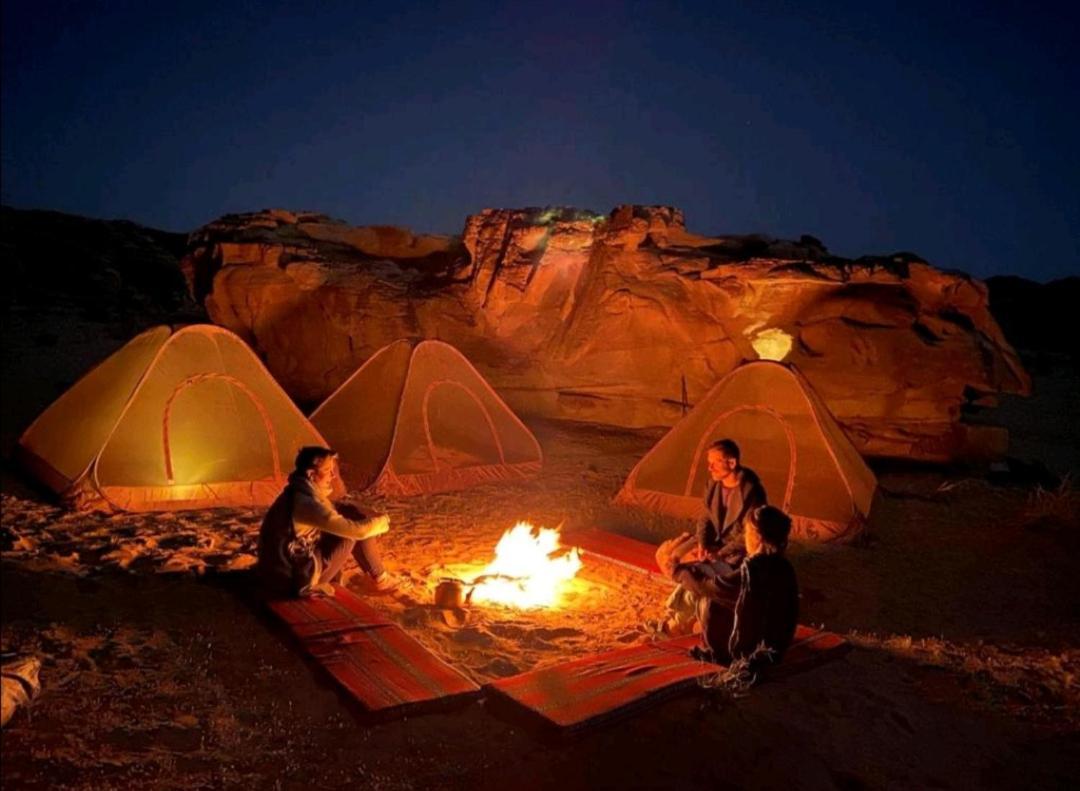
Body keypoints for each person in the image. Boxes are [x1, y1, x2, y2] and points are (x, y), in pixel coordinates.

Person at [659, 505, 799, 672]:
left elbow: (705, 587)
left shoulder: (750, 574)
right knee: (711, 574)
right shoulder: (784, 567)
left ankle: (691, 638)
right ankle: (674, 623)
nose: (745, 537)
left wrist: (676, 572)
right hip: (775, 651)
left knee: (708, 595)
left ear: (757, 537)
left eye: (747, 533)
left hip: (748, 657)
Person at [258, 446, 400, 597]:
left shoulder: (298, 492)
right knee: (353, 530)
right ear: (311, 475)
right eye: (327, 470)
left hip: (284, 567)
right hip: (292, 578)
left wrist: (367, 515)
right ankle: (380, 579)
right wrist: (382, 520)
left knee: (350, 514)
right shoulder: (305, 503)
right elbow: (358, 531)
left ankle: (378, 576)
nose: (333, 475)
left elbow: (332, 510)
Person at [696, 438, 767, 568]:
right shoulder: (711, 486)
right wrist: (702, 544)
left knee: (716, 572)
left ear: (732, 463)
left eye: (715, 463)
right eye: (709, 463)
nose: (709, 468)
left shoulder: (752, 492)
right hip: (714, 543)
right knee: (671, 556)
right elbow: (705, 517)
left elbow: (748, 534)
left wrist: (720, 553)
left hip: (738, 549)